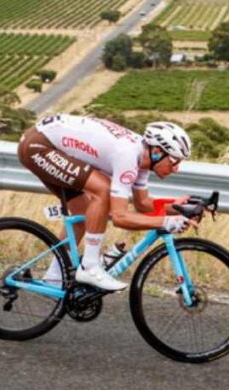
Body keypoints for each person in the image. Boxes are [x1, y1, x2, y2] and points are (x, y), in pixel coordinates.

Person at [17, 114, 196, 291]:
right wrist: (167, 223)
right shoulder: (127, 155)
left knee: (83, 214)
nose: (176, 169)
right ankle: (90, 266)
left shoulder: (142, 160)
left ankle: (54, 278)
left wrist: (178, 208)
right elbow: (120, 217)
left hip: (46, 143)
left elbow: (143, 204)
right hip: (38, 146)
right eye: (174, 161)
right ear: (157, 152)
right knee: (102, 190)